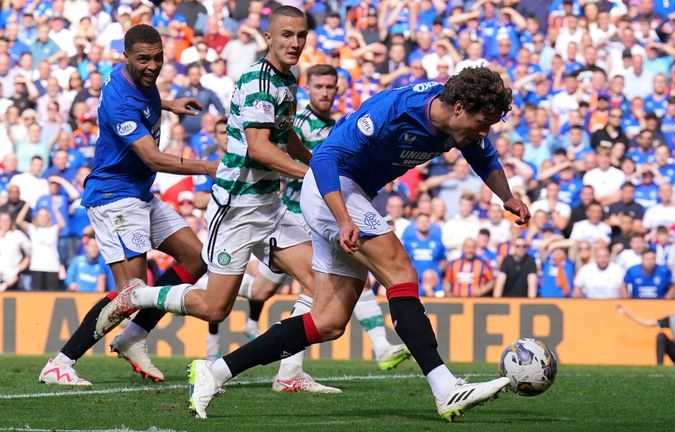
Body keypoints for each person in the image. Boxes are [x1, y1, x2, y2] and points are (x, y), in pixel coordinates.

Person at [187, 65, 530, 420]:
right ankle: (445, 389)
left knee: (328, 322)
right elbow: (323, 158)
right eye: (483, 123)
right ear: (459, 107)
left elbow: (482, 154)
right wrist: (343, 218)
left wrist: (506, 196)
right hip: (331, 188)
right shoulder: (394, 110)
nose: (485, 131)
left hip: (350, 194)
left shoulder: (459, 125)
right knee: (400, 272)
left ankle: (214, 373)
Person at [98, 7, 339, 394]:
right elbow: (260, 149)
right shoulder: (259, 82)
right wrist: (315, 176)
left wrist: (317, 162)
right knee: (214, 308)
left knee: (317, 280)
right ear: (268, 37)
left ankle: (289, 374)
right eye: (286, 35)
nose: (295, 43)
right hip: (238, 207)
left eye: (301, 35)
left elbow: (284, 134)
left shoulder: (288, 78)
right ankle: (137, 294)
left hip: (269, 204)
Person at [38, 24, 217, 387]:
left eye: (158, 57)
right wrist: (211, 166)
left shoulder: (130, 80)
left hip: (139, 193)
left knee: (196, 258)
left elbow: (143, 97)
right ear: (126, 57)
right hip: (113, 197)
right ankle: (60, 362)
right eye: (143, 59)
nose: (152, 66)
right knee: (131, 290)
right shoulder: (120, 100)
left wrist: (167, 103)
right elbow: (154, 158)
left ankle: (133, 337)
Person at [207, 64, 412, 377]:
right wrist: (317, 174)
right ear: (309, 89)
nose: (325, 93)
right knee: (303, 286)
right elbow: (274, 150)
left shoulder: (337, 125)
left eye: (331, 87)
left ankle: (292, 371)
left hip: (319, 217)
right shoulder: (298, 122)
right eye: (319, 87)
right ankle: (374, 345)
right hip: (294, 214)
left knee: (323, 284)